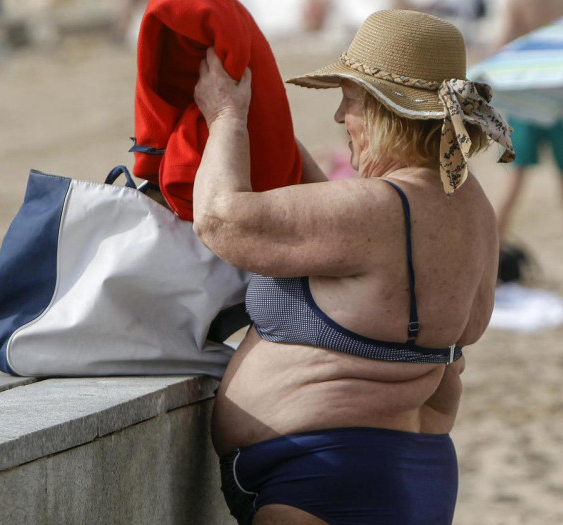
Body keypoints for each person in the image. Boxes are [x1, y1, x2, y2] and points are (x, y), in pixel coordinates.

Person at [191, 10, 513, 523]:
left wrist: (225, 117)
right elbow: (337, 226)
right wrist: (264, 127)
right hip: (412, 471)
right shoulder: (469, 207)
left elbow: (219, 221)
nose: (341, 116)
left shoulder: (384, 210)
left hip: (330, 480)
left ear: (388, 112)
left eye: (352, 99)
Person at [490, 0, 563, 297]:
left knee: (511, 190)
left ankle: (483, 272)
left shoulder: (519, 3)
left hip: (529, 98)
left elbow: (501, 50)